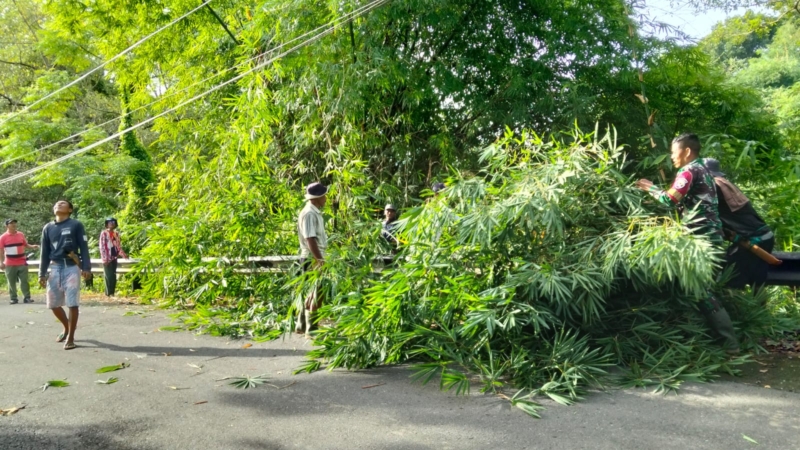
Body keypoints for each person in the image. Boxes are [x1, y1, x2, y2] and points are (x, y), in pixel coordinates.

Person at [635, 133, 739, 354]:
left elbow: (669, 199)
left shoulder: (689, 170)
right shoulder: (704, 169)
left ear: (687, 152)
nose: (672, 157)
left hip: (701, 239)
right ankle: (705, 338)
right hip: (709, 236)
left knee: (701, 290)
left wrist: (650, 188)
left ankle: (729, 345)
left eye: (674, 152)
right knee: (696, 287)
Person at [702, 158, 778, 290]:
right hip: (765, 237)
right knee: (757, 284)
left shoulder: (713, 187)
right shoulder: (724, 183)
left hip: (753, 241)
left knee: (729, 282)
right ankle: (758, 310)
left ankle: (734, 309)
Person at [38, 201, 91, 350]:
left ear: (70, 210)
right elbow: (44, 252)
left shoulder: (76, 225)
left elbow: (84, 247)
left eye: (62, 204)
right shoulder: (48, 228)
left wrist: (86, 267)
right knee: (53, 304)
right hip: (54, 267)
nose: (58, 205)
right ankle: (66, 327)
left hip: (71, 268)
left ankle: (71, 336)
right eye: (56, 204)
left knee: (72, 302)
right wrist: (41, 273)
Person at [295, 182, 328, 337]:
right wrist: (320, 260)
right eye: (324, 195)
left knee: (311, 291)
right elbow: (310, 239)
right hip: (312, 258)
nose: (326, 198)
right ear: (318, 198)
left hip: (312, 257)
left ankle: (301, 324)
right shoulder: (309, 213)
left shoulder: (313, 212)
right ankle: (312, 328)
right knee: (316, 291)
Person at [0, 219, 39, 304]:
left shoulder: (20, 234)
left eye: (14, 223)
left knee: (24, 280)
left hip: (22, 261)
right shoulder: (3, 237)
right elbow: (1, 251)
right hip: (10, 263)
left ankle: (27, 297)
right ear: (7, 226)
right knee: (11, 281)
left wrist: (33, 246)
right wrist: (1, 262)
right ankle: (13, 298)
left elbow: (25, 245)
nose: (14, 225)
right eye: (11, 223)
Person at [99, 217, 128, 297]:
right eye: (110, 222)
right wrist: (105, 259)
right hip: (107, 258)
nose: (112, 223)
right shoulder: (104, 233)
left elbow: (118, 246)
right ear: (107, 224)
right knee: (108, 275)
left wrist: (124, 255)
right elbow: (102, 246)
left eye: (113, 222)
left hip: (114, 257)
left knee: (113, 275)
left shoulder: (116, 234)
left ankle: (112, 293)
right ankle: (108, 293)